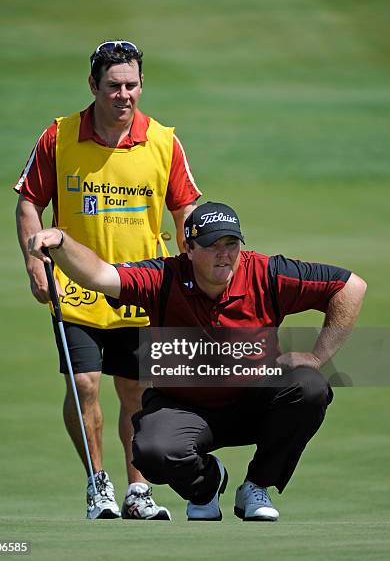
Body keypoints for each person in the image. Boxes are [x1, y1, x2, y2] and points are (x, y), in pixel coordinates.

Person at [28, 201, 367, 521]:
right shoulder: (164, 277)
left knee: (310, 387)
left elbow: (351, 286)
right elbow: (98, 275)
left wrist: (317, 355)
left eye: (231, 243)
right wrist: (60, 241)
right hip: (183, 408)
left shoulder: (265, 273)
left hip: (253, 402)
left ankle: (256, 487)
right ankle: (206, 486)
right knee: (152, 452)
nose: (225, 255)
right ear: (188, 249)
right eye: (211, 245)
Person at [15, 40, 201, 520]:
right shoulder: (58, 137)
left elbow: (186, 211)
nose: (124, 95)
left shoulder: (162, 141)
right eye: (114, 86)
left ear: (141, 86)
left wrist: (193, 274)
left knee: (134, 392)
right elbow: (30, 202)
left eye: (132, 85)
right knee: (84, 384)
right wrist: (36, 265)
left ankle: (138, 490)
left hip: (141, 287)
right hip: (75, 286)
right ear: (93, 85)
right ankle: (98, 482)